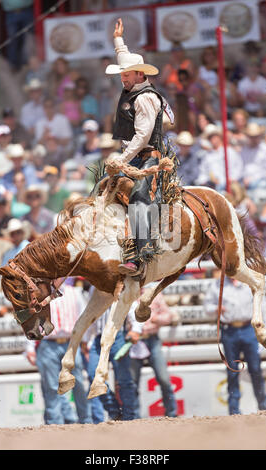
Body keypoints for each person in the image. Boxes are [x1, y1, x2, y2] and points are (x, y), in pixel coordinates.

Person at [105, 17, 173, 276]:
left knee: (139, 199)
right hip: (135, 157)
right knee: (105, 190)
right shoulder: (135, 88)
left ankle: (140, 257)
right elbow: (124, 58)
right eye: (121, 74)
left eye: (126, 74)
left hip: (147, 159)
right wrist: (118, 41)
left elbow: (143, 135)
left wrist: (123, 158)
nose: (122, 78)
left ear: (139, 74)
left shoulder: (145, 98)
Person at [203, 270, 266, 415]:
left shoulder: (249, 283)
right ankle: (234, 410)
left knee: (255, 368)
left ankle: (263, 407)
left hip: (249, 329)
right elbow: (207, 307)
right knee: (232, 370)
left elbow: (263, 306)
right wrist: (216, 309)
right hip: (229, 331)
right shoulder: (217, 285)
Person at [26, 281, 92, 424]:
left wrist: (85, 341)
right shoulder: (39, 295)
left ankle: (85, 420)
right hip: (49, 343)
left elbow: (84, 317)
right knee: (51, 385)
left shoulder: (75, 293)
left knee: (78, 383)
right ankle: (55, 423)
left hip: (70, 343)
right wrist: (29, 347)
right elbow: (31, 320)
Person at [85, 303, 139, 422]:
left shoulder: (121, 286)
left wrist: (136, 329)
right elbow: (89, 311)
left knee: (124, 379)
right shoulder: (94, 289)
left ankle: (128, 417)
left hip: (117, 335)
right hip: (99, 338)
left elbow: (133, 305)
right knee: (93, 376)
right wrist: (86, 338)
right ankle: (115, 412)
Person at [127, 292, 178, 418]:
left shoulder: (154, 294)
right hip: (134, 341)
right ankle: (134, 416)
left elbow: (168, 315)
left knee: (163, 378)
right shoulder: (127, 295)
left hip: (151, 339)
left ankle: (172, 413)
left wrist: (156, 319)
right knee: (132, 382)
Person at [196, 125, 243, 191]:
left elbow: (238, 168)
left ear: (219, 137)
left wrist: (231, 179)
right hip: (211, 187)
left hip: (227, 186)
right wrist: (205, 181)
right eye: (210, 137)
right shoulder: (207, 156)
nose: (212, 139)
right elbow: (202, 172)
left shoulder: (229, 152)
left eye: (214, 136)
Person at [240, 122, 266, 196]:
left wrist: (252, 179)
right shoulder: (243, 150)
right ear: (247, 136)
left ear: (260, 136)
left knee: (263, 185)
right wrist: (244, 179)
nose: (253, 139)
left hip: (261, 181)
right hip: (245, 181)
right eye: (251, 136)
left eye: (255, 136)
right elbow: (241, 167)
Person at [1, 0, 33, 71]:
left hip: (26, 10)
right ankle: (13, 65)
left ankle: (27, 64)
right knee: (12, 40)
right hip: (11, 12)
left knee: (27, 38)